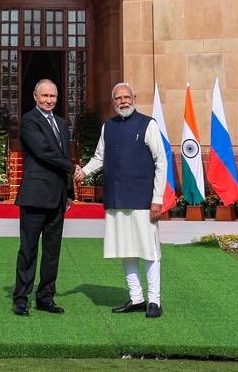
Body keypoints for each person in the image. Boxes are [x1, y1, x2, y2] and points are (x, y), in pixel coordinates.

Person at [75, 81, 167, 318]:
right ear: (113, 102)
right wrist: (83, 172)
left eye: (127, 97)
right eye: (118, 98)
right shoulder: (109, 126)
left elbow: (161, 162)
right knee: (126, 249)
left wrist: (157, 199)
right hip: (116, 199)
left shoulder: (148, 124)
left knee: (149, 251)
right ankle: (136, 297)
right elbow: (99, 157)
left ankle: (154, 301)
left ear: (134, 98)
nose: (123, 101)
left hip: (143, 200)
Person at [11, 78, 74, 316]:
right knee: (28, 249)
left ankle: (46, 297)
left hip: (57, 197)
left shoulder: (61, 122)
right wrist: (72, 167)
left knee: (52, 250)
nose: (49, 100)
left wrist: (69, 192)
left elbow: (65, 153)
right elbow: (44, 152)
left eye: (53, 96)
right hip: (35, 196)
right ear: (35, 97)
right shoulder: (29, 120)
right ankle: (20, 298)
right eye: (44, 96)